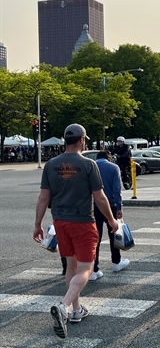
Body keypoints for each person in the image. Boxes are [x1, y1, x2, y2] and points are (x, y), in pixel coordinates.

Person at [33, 124, 118, 339]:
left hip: (60, 221)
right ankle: (63, 306)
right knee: (86, 268)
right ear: (81, 140)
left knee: (71, 265)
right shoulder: (89, 164)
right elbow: (99, 197)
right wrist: (111, 219)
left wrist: (37, 224)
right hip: (83, 221)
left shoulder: (51, 164)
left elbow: (43, 197)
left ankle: (76, 310)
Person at [90, 150, 129, 281]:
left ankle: (94, 268)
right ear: (109, 157)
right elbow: (117, 188)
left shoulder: (91, 166)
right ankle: (116, 262)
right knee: (114, 234)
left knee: (96, 237)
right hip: (110, 205)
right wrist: (119, 207)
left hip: (93, 205)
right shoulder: (113, 167)